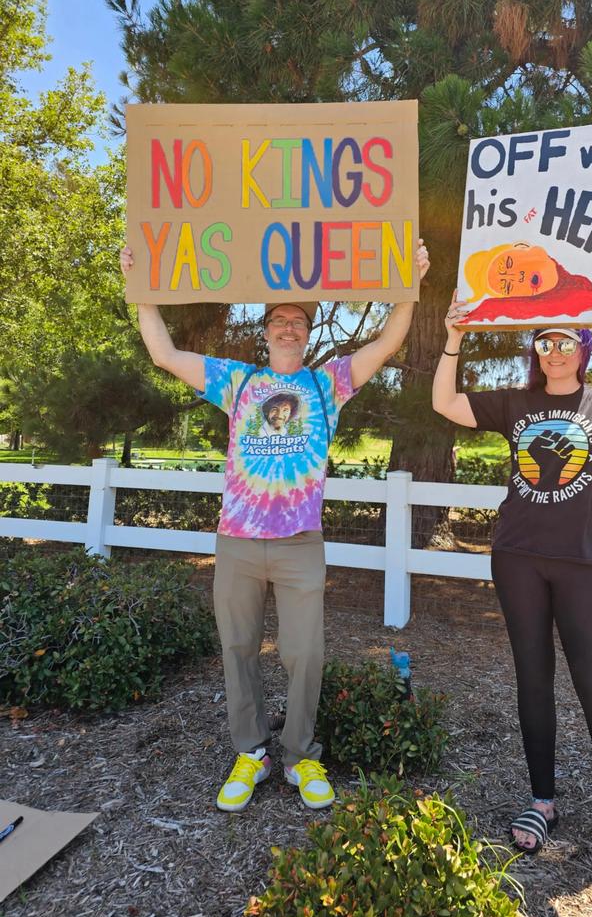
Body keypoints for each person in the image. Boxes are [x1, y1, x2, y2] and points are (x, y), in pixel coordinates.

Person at [120, 240, 429, 813]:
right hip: (237, 540)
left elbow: (386, 343)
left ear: (307, 334)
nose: (289, 328)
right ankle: (251, 752)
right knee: (238, 647)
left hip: (299, 544)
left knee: (304, 652)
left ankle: (300, 754)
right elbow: (163, 353)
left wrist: (408, 285)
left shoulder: (326, 385)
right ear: (265, 332)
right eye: (280, 320)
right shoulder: (237, 382)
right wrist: (141, 290)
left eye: (299, 322)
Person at [432, 284, 592, 877]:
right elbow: (446, 403)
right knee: (533, 681)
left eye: (567, 341)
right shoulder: (515, 403)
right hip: (517, 557)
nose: (556, 351)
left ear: (584, 348)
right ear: (536, 350)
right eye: (546, 342)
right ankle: (542, 800)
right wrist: (454, 337)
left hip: (582, 563)